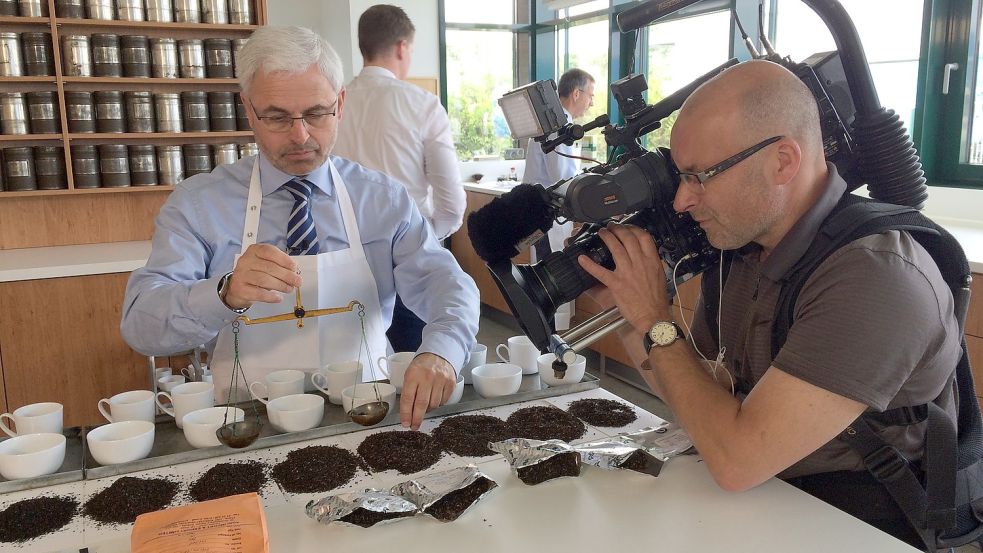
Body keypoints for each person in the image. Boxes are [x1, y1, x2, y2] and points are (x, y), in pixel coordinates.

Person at [578, 60, 961, 546]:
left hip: (851, 519)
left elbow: (737, 459)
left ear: (783, 160)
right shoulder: (743, 248)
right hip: (766, 497)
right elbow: (700, 401)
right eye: (680, 176)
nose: (680, 201)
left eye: (700, 176)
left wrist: (655, 319)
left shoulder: (874, 277)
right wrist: (629, 312)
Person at [120, 26, 479, 431]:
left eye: (316, 113)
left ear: (340, 103)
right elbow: (140, 325)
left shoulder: (381, 199)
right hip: (245, 425)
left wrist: (441, 351)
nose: (300, 135)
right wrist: (223, 293)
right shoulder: (200, 204)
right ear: (249, 110)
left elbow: (448, 285)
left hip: (366, 415)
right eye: (276, 117)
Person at [334, 4, 464, 353]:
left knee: (352, 368)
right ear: (403, 47)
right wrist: (424, 236)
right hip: (407, 261)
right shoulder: (422, 105)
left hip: (339, 258)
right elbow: (452, 204)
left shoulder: (331, 106)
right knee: (412, 372)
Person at [522, 67, 594, 329]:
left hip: (538, 211)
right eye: (590, 95)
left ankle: (548, 343)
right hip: (547, 215)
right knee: (550, 281)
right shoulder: (559, 126)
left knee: (544, 281)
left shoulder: (549, 122)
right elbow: (562, 177)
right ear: (576, 93)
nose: (591, 102)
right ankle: (551, 350)